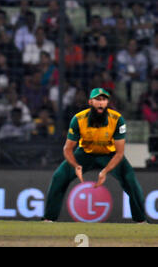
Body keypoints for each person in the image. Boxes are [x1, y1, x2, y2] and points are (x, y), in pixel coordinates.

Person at [43, 88, 147, 223]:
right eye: (97, 99)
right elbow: (68, 148)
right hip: (85, 153)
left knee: (130, 179)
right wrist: (75, 165)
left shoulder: (117, 119)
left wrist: (105, 171)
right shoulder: (78, 119)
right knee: (59, 177)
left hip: (110, 154)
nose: (101, 103)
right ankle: (49, 218)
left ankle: (141, 220)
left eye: (104, 99)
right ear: (90, 102)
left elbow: (120, 152)